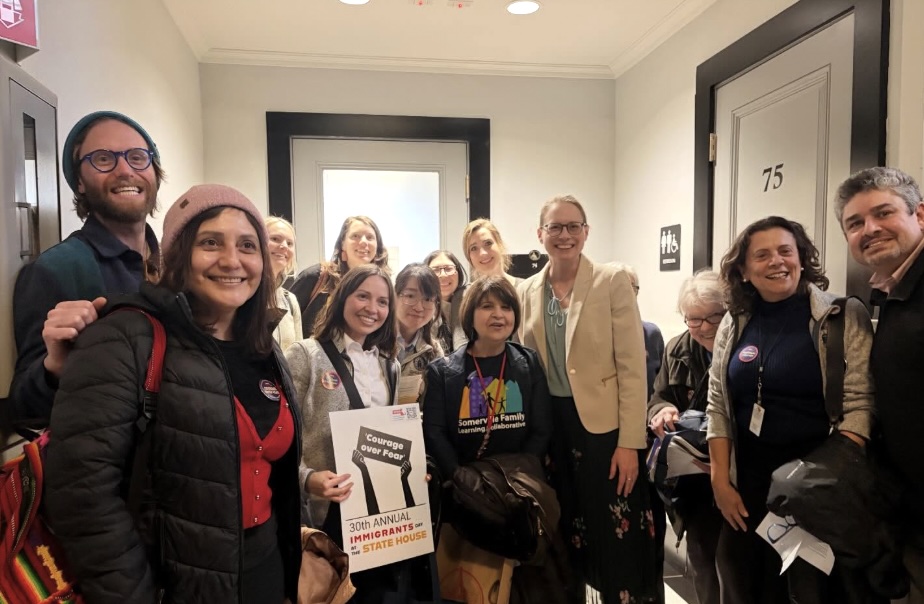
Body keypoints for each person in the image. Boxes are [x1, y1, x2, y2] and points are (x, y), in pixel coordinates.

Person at [44, 185, 302, 603]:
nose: (232, 260)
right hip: (172, 587)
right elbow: (81, 495)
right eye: (210, 242)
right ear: (178, 254)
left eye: (248, 245)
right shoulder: (127, 337)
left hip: (265, 572)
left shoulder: (262, 347)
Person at [706, 216, 874, 603]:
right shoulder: (735, 320)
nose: (776, 261)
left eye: (786, 251)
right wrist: (719, 482)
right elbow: (718, 401)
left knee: (808, 591)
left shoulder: (842, 315)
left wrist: (816, 483)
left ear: (802, 258)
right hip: (746, 485)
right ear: (744, 271)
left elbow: (860, 404)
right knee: (742, 584)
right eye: (761, 255)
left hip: (815, 485)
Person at [518, 194, 658, 603]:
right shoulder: (528, 290)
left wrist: (631, 442)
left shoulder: (610, 280)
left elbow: (633, 367)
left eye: (574, 226)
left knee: (615, 531)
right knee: (566, 529)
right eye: (556, 227)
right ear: (540, 233)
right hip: (553, 428)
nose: (565, 235)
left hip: (605, 430)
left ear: (586, 231)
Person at [9, 111, 163, 429]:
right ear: (79, 180)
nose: (125, 170)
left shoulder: (175, 264)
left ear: (154, 172)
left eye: (137, 157)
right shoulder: (56, 270)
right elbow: (24, 407)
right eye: (104, 159)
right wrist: (54, 367)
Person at [285, 264, 405, 603]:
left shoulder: (389, 366)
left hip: (376, 517)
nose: (372, 308)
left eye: (383, 301)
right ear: (342, 299)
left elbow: (392, 437)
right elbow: (279, 439)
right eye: (363, 296)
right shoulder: (306, 354)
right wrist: (307, 479)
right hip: (326, 514)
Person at [835, 167, 924, 603]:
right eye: (855, 223)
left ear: (920, 215)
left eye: (883, 213)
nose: (869, 229)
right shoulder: (890, 293)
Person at [647, 269, 726, 604]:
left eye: (713, 317)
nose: (704, 328)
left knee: (740, 568)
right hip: (695, 481)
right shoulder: (677, 348)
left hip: (737, 474)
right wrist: (661, 411)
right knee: (704, 565)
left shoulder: (744, 346)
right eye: (694, 320)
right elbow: (658, 396)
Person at [424, 275, 551, 476]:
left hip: (519, 489)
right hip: (463, 491)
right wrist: (460, 477)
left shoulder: (528, 362)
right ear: (469, 314)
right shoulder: (442, 372)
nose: (498, 314)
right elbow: (435, 434)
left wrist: (520, 476)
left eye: (506, 307)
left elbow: (541, 429)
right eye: (487, 306)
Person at [289, 216, 389, 339]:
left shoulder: (384, 289)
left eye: (370, 237)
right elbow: (284, 325)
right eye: (355, 236)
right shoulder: (316, 277)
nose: (363, 242)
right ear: (342, 244)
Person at [612, 262, 664, 398]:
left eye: (631, 288)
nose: (625, 295)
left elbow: (661, 388)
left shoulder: (652, 334)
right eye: (617, 288)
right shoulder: (592, 335)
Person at [395, 263, 444, 405]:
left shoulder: (433, 351)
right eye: (410, 296)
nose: (419, 307)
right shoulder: (372, 343)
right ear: (394, 296)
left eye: (428, 299)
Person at [266, 216, 302, 351]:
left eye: (290, 243)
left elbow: (297, 357)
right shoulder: (242, 294)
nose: (284, 246)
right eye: (275, 239)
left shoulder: (290, 301)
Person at [424, 249, 468, 353]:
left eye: (448, 269)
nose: (443, 275)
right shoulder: (421, 308)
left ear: (458, 272)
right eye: (435, 270)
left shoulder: (470, 302)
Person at [462, 218, 520, 286]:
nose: (483, 253)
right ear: (469, 257)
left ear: (500, 244)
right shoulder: (465, 295)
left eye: (488, 243)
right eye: (474, 248)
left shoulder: (526, 290)